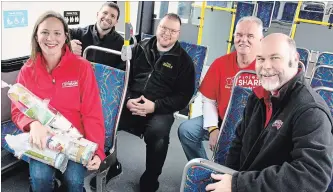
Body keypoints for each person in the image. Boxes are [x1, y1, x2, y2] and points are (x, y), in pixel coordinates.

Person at [206, 33, 333, 192]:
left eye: (275, 58)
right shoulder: (258, 96)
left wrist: (239, 185)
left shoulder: (310, 111)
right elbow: (238, 144)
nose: (266, 66)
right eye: (260, 59)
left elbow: (313, 176)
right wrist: (225, 176)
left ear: (294, 58)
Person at [11, 11, 105, 192]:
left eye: (57, 33)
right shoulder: (27, 70)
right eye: (45, 32)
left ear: (65, 37)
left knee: (74, 180)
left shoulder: (81, 67)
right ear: (36, 36)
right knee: (40, 178)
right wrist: (33, 125)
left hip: (75, 137)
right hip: (43, 137)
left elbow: (92, 111)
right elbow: (17, 110)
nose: (50, 38)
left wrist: (98, 150)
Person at [117, 13, 194, 192]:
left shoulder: (184, 62)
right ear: (157, 28)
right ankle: (109, 162)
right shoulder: (139, 48)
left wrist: (155, 106)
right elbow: (122, 76)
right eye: (164, 28)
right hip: (132, 102)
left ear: (179, 33)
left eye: (172, 31)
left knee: (158, 135)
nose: (167, 33)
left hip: (160, 107)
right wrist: (128, 100)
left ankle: (151, 179)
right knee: (107, 119)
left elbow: (183, 96)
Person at [178, 16, 263, 161]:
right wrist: (213, 129)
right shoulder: (220, 64)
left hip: (253, 127)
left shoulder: (266, 68)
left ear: (261, 40)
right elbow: (209, 100)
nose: (243, 40)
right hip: (222, 119)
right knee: (187, 130)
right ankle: (204, 168)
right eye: (239, 35)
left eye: (250, 36)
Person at [69, 2, 124, 70]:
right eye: (105, 13)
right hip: (82, 77)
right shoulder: (80, 33)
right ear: (97, 14)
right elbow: (60, 34)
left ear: (116, 22)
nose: (107, 17)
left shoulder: (121, 44)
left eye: (112, 16)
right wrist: (68, 45)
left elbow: (122, 73)